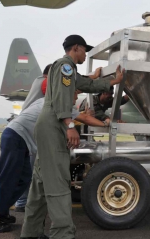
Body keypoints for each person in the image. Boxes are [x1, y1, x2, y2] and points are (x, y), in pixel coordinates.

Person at [20, 35, 124, 239]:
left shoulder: (68, 70)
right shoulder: (65, 66)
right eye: (84, 50)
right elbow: (61, 97)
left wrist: (114, 81)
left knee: (41, 181)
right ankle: (62, 234)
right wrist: (69, 125)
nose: (85, 54)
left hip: (48, 125)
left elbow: (88, 84)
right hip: (54, 125)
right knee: (59, 181)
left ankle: (31, 232)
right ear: (75, 48)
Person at [0, 88, 113, 232]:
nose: (76, 96)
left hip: (19, 139)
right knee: (8, 179)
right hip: (16, 138)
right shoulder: (60, 104)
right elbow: (84, 119)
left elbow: (78, 117)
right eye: (75, 93)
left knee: (23, 179)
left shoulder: (49, 101)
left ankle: (1, 211)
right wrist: (108, 125)